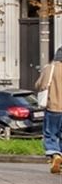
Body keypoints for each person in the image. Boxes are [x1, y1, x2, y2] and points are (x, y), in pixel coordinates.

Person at [36, 46, 62, 174]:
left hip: (54, 107)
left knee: (50, 133)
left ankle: (55, 155)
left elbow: (40, 85)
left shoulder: (50, 68)